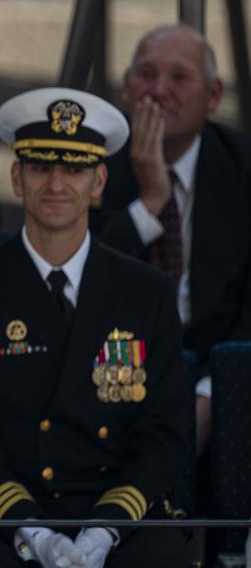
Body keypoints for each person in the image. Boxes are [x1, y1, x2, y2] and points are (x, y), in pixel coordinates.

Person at [0, 87, 189, 567]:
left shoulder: (145, 291)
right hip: (5, 510)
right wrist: (33, 531)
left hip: (116, 509)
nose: (56, 183)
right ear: (17, 177)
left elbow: (165, 434)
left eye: (74, 168)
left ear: (99, 181)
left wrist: (106, 529)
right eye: (40, 167)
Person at [90, 25, 251, 455]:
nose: (159, 91)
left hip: (221, 370)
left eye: (179, 78)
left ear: (213, 95)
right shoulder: (90, 168)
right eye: (146, 74)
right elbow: (83, 282)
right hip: (112, 370)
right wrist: (151, 202)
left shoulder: (242, 168)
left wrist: (212, 394)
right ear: (126, 89)